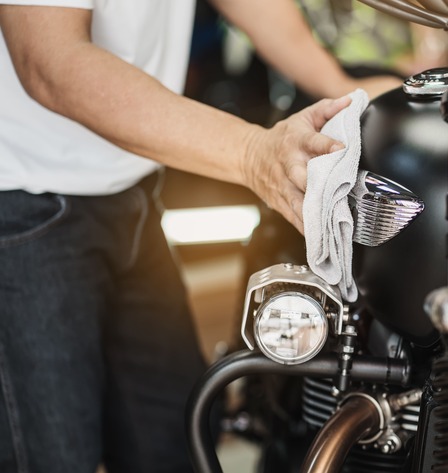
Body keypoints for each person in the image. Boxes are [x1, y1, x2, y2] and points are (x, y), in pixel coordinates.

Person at [0, 1, 401, 472]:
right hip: (26, 204)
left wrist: (340, 88)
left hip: (131, 190)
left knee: (180, 438)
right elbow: (50, 62)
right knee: (53, 457)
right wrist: (254, 154)